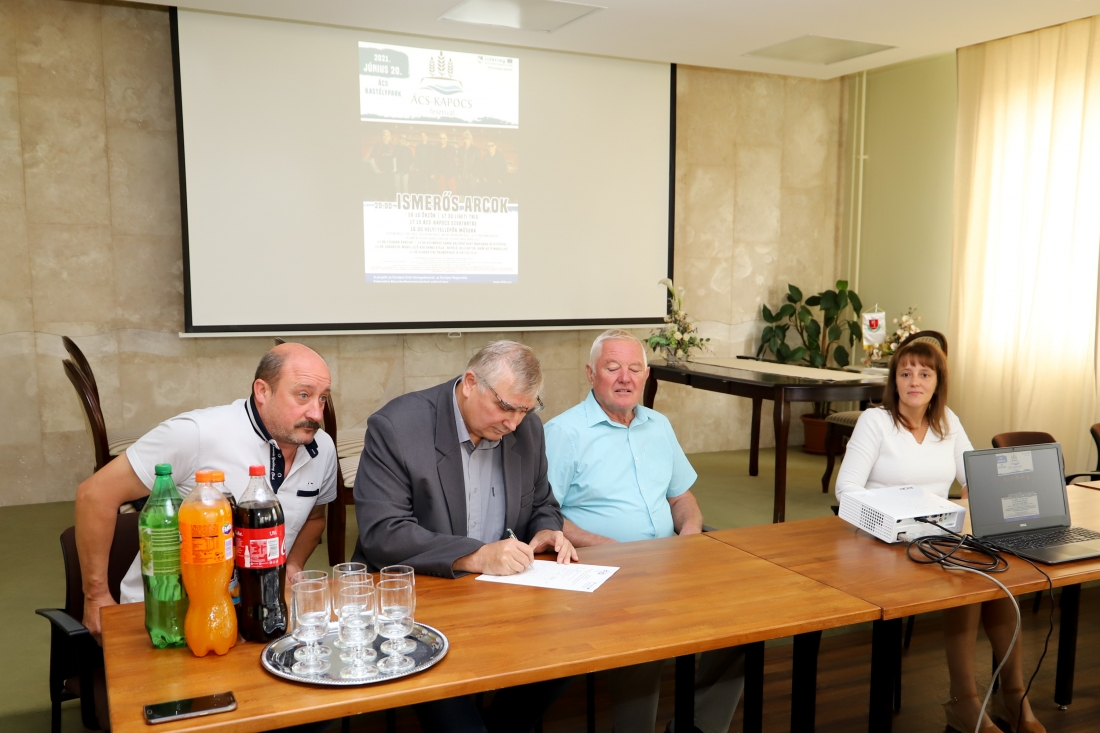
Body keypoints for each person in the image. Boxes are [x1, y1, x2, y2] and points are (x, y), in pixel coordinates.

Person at [353, 340, 576, 733]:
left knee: (564, 660)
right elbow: (382, 533)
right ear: (471, 383)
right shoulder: (398, 427)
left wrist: (546, 530)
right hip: (420, 605)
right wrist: (476, 556)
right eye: (506, 407)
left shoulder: (527, 430)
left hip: (501, 603)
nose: (513, 424)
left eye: (525, 410)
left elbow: (542, 502)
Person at [835, 338, 1044, 733]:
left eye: (924, 374)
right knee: (967, 577)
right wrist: (897, 516)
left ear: (937, 383)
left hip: (937, 538)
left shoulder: (947, 421)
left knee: (1000, 577)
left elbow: (974, 478)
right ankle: (964, 701)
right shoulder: (875, 422)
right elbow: (845, 490)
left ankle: (1014, 694)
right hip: (885, 543)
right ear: (895, 381)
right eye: (905, 373)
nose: (914, 381)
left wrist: (975, 491)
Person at [545, 330, 745, 733]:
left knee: (743, 623)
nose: (625, 378)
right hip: (603, 569)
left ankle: (698, 726)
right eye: (612, 368)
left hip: (669, 563)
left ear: (646, 375)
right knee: (644, 633)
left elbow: (681, 497)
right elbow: (545, 516)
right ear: (590, 374)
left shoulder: (659, 425)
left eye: (635, 369)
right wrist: (611, 548)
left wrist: (691, 531)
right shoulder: (563, 432)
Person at [74, 343, 338, 642]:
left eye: (323, 398)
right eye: (303, 395)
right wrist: (95, 596)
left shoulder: (322, 448)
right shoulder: (196, 433)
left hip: (255, 616)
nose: (316, 413)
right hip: (169, 620)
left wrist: (294, 562)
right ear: (262, 391)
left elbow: (314, 518)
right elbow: (94, 494)